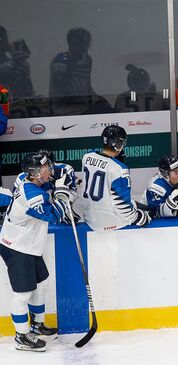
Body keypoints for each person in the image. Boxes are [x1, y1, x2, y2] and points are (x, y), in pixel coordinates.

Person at [0, 152, 72, 351]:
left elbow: (50, 184)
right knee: (23, 294)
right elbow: (53, 216)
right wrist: (63, 193)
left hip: (29, 245)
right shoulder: (33, 194)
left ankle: (37, 324)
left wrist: (62, 182)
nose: (50, 170)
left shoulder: (30, 181)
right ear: (35, 173)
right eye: (46, 168)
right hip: (16, 246)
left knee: (41, 285)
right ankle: (21, 336)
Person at [81, 125, 151, 232]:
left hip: (89, 218)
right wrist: (139, 218)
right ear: (118, 145)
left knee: (134, 203)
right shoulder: (119, 169)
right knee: (138, 210)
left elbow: (98, 159)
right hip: (108, 223)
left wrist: (112, 160)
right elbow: (122, 206)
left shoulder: (87, 158)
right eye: (122, 143)